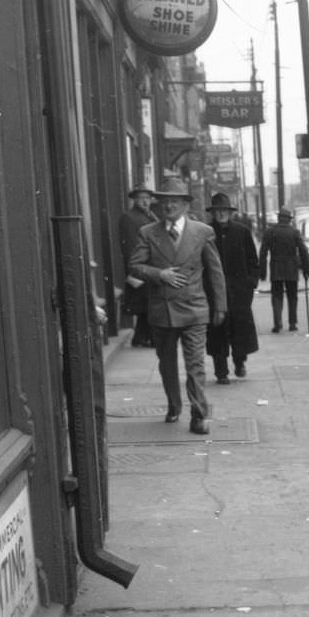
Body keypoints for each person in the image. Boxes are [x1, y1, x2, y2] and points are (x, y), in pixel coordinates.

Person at [129, 175, 226, 435]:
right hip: (163, 310)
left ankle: (199, 414)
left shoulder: (202, 232)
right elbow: (134, 266)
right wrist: (159, 274)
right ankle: (174, 405)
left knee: (195, 364)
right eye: (164, 202)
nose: (169, 207)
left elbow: (215, 271)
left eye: (175, 201)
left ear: (186, 205)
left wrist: (220, 306)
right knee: (167, 363)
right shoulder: (148, 233)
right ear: (159, 206)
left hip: (194, 308)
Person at [205, 192, 260, 383]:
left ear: (230, 212)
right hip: (214, 291)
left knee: (239, 330)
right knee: (217, 330)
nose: (220, 214)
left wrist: (250, 283)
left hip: (239, 291)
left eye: (224, 210)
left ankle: (239, 362)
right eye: (217, 211)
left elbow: (253, 260)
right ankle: (221, 372)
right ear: (213, 213)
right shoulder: (206, 232)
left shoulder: (242, 231)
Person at [259, 208, 309, 333]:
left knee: (276, 296)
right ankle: (292, 323)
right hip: (291, 267)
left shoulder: (270, 232)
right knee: (292, 296)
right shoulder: (294, 232)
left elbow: (263, 252)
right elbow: (303, 250)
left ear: (279, 218)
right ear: (289, 219)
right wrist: (306, 268)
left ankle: (278, 323)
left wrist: (263, 271)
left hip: (276, 267)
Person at [118, 183, 156, 347]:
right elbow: (130, 246)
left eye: (147, 198)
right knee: (145, 305)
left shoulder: (150, 215)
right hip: (141, 266)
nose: (145, 201)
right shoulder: (129, 217)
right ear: (134, 199)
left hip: (151, 266)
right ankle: (144, 338)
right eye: (141, 198)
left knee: (147, 305)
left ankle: (141, 337)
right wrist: (134, 268)